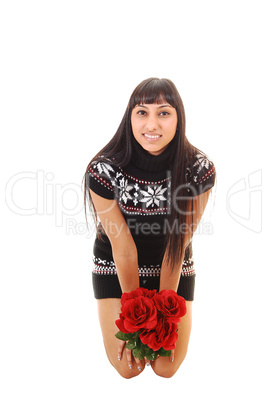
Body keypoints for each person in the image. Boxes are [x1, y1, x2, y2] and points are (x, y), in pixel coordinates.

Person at [83, 77, 216, 379]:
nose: (152, 124)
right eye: (142, 112)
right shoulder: (103, 171)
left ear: (178, 118)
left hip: (172, 262)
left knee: (166, 368)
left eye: (164, 113)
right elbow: (124, 249)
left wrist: (164, 315)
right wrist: (138, 321)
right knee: (128, 369)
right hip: (116, 264)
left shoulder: (198, 170)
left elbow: (177, 243)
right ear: (129, 117)